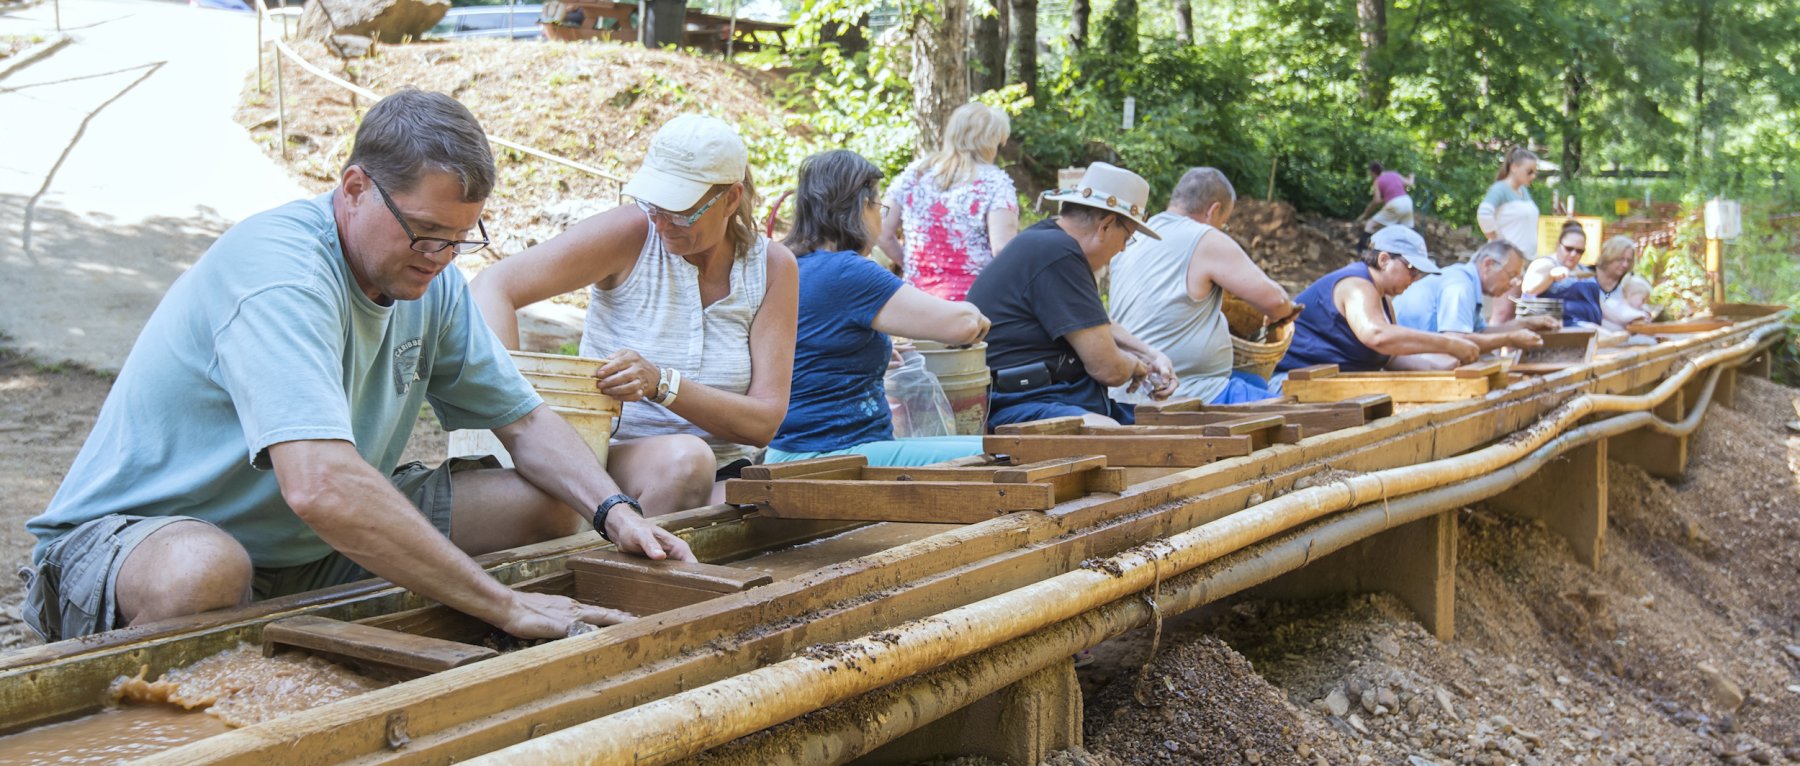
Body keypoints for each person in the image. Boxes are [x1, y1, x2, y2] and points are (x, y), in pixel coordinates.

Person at [20, 90, 691, 643]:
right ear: (354, 187)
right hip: (136, 544)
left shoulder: (436, 284)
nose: (440, 256)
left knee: (548, 503)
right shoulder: (279, 274)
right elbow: (319, 485)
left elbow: (523, 423)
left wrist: (616, 511)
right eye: (426, 233)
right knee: (204, 572)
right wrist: (505, 605)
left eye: (461, 239)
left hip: (305, 550)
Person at [471, 114, 799, 510]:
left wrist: (662, 383)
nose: (661, 223)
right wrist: (523, 413)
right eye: (653, 205)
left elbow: (763, 423)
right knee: (687, 463)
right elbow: (493, 286)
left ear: (730, 198)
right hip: (607, 460)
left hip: (725, 471)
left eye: (680, 212)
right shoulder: (633, 234)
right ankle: (616, 564)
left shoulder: (772, 268)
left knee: (766, 504)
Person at [766, 150, 992, 466]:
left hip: (790, 451)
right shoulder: (848, 271)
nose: (881, 218)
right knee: (1005, 454)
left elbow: (810, 351)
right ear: (862, 206)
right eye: (880, 207)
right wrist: (974, 312)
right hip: (829, 455)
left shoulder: (792, 264)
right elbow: (961, 325)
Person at [966, 162, 1177, 428]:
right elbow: (1107, 368)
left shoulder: (1049, 243)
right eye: (1128, 237)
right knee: (1108, 432)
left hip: (1048, 398)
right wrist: (1136, 366)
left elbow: (1093, 323)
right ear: (1106, 225)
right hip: (1019, 404)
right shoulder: (1057, 253)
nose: (1123, 249)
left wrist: (1150, 354)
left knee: (1161, 426)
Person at [1107, 167, 1297, 405]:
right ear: (1213, 210)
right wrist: (1288, 311)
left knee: (1255, 382)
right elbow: (1276, 302)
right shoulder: (1203, 237)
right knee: (1293, 409)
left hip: (1124, 388)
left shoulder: (1134, 236)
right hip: (1185, 388)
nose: (1221, 228)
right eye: (1223, 222)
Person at [1275, 226, 1481, 379]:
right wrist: (1448, 343)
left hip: (1324, 384)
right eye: (1412, 269)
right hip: (1290, 382)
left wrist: (1441, 367)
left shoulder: (1382, 299)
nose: (1416, 278)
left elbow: (1390, 356)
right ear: (1384, 260)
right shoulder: (1356, 284)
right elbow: (1377, 335)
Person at [877, 102, 1020, 301]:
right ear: (990, 142)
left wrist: (911, 266)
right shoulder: (996, 182)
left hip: (918, 298)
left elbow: (881, 231)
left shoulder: (915, 173)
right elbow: (1002, 250)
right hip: (974, 302)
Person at [1392, 239, 1552, 369]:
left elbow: (1480, 332)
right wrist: (1510, 339)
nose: (1513, 283)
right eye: (1511, 275)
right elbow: (1457, 341)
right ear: (1488, 264)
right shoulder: (1460, 286)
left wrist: (1524, 324)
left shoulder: (1468, 281)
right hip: (1400, 358)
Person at [1476, 147, 1541, 259]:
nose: (1533, 176)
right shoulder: (1500, 189)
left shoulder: (1523, 191)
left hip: (1526, 259)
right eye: (1529, 172)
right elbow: (1483, 214)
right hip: (1506, 260)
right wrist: (1497, 241)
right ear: (1514, 167)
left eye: (1535, 172)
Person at [1356, 162, 1416, 234]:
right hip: (1407, 201)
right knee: (1407, 230)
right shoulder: (1394, 174)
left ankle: (1362, 245)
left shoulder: (1377, 181)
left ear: (1373, 172)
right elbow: (1409, 183)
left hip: (1395, 204)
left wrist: (1365, 213)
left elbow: (1376, 201)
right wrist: (1411, 176)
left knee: (1370, 225)